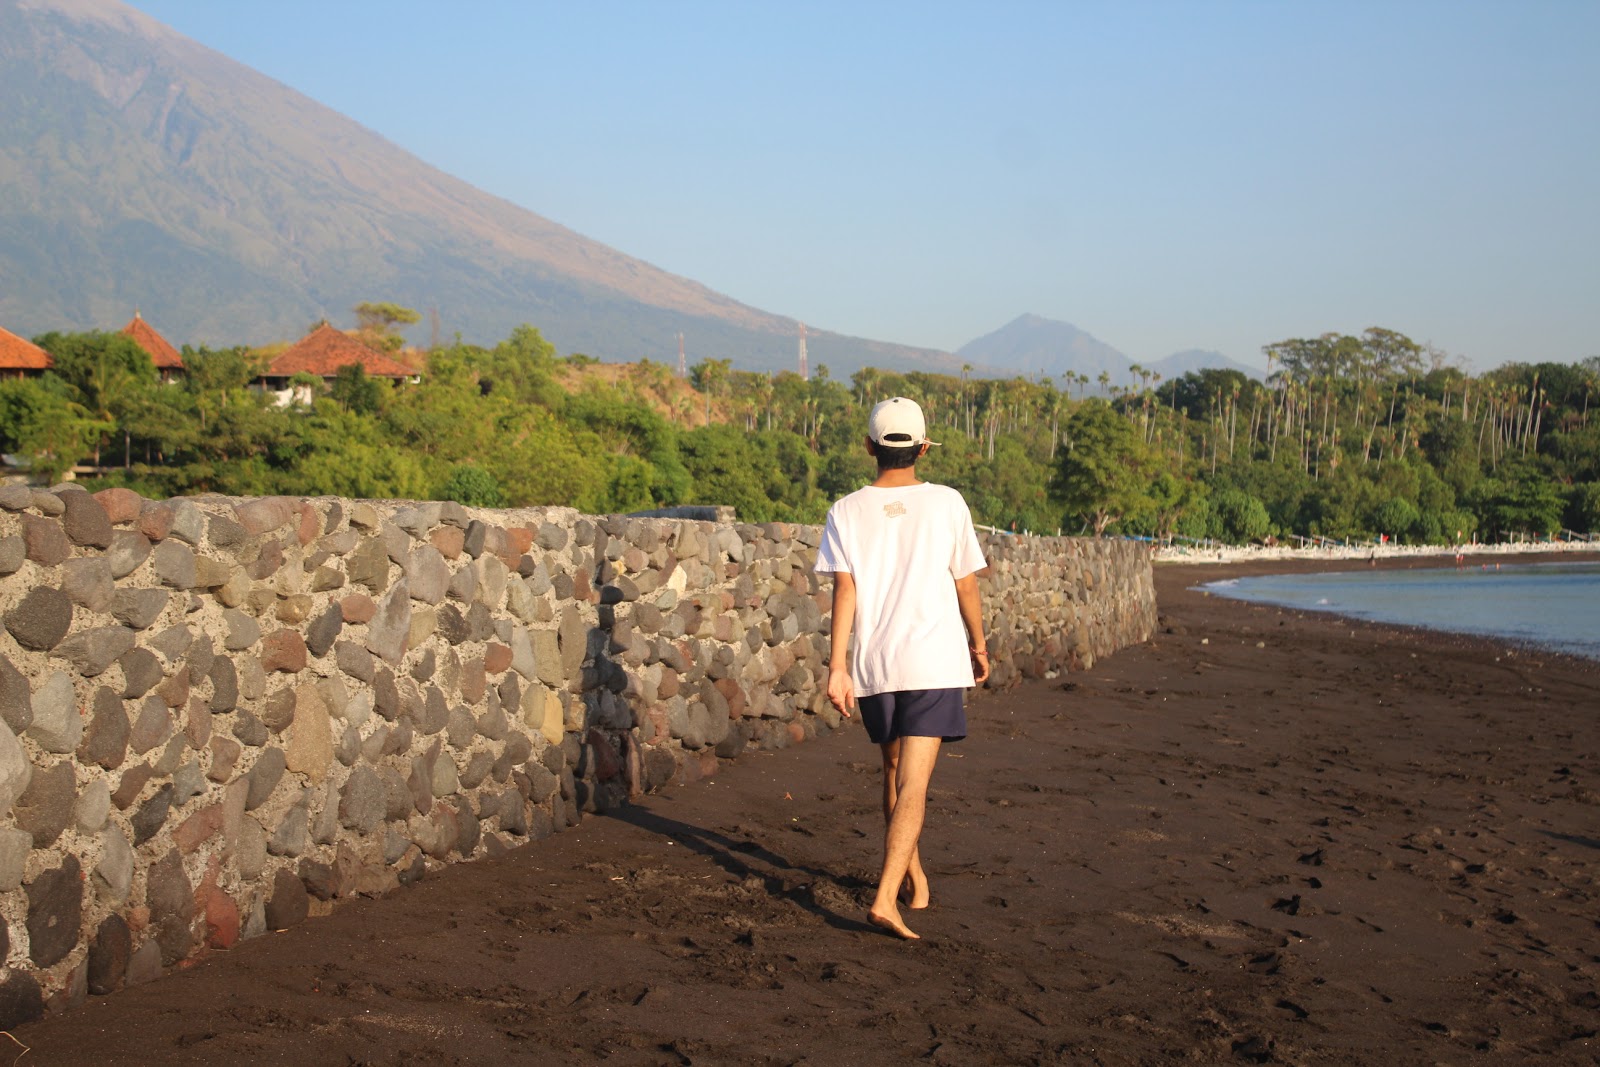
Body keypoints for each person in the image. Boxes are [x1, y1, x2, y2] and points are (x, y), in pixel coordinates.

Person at [815, 396, 990, 940]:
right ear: (924, 447)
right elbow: (965, 582)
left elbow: (846, 590)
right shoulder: (947, 503)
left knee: (892, 773)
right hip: (934, 661)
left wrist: (837, 666)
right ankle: (885, 897)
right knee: (914, 781)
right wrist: (979, 645)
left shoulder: (845, 510)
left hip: (875, 664)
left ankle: (913, 875)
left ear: (869, 447)